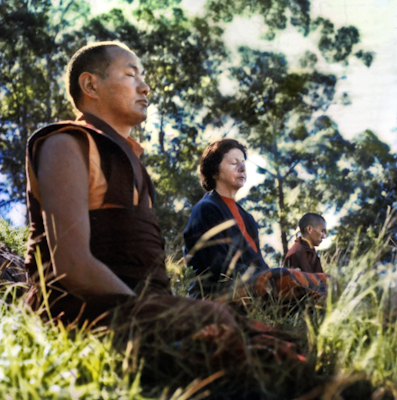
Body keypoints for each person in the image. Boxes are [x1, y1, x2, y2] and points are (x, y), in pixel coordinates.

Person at [24, 41, 313, 393]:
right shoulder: (66, 143)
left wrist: (169, 310)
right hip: (87, 312)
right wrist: (166, 315)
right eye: (130, 75)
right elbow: (72, 265)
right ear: (90, 85)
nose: (144, 86)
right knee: (231, 337)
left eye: (142, 77)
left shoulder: (134, 167)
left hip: (143, 310)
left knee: (278, 345)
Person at [183, 139, 329, 306]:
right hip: (214, 294)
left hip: (254, 286)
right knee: (286, 280)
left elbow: (258, 264)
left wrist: (280, 273)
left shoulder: (247, 219)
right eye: (233, 163)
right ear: (214, 171)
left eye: (243, 163)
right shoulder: (206, 209)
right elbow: (220, 267)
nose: (242, 168)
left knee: (327, 281)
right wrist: (276, 275)